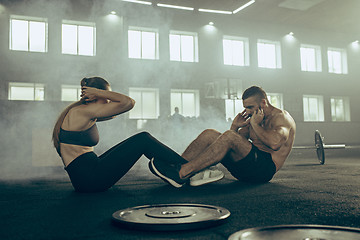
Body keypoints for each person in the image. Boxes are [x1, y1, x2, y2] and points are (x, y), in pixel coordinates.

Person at [52, 76, 199, 192]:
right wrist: (98, 92)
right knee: (143, 139)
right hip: (90, 179)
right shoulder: (83, 112)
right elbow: (128, 103)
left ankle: (176, 170)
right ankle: (190, 169)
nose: (109, 100)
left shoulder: (83, 112)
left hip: (87, 176)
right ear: (95, 95)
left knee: (141, 139)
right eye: (106, 96)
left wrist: (99, 94)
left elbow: (116, 112)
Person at [150, 86, 296, 187]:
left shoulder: (281, 118)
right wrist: (235, 126)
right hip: (246, 168)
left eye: (250, 107)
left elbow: (275, 143)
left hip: (263, 171)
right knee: (210, 134)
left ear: (263, 102)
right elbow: (238, 143)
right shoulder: (254, 117)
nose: (247, 111)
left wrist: (255, 125)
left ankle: (182, 173)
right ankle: (177, 167)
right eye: (245, 107)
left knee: (228, 136)